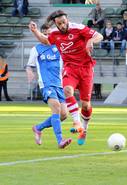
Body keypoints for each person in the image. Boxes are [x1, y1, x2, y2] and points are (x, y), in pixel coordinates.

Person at [29, 10, 103, 145]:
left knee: (86, 105)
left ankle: (84, 129)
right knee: (67, 90)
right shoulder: (54, 34)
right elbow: (45, 41)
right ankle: (76, 122)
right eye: (59, 24)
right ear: (56, 24)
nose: (62, 25)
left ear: (67, 20)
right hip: (70, 68)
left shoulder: (78, 28)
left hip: (86, 68)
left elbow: (100, 36)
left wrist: (90, 41)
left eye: (64, 22)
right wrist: (35, 31)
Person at [27, 24, 72, 149]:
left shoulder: (59, 47)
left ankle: (38, 128)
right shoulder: (36, 49)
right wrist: (29, 71)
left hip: (59, 85)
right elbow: (29, 65)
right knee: (56, 108)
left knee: (63, 115)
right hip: (46, 85)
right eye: (45, 34)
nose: (47, 36)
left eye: (49, 34)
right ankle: (60, 140)